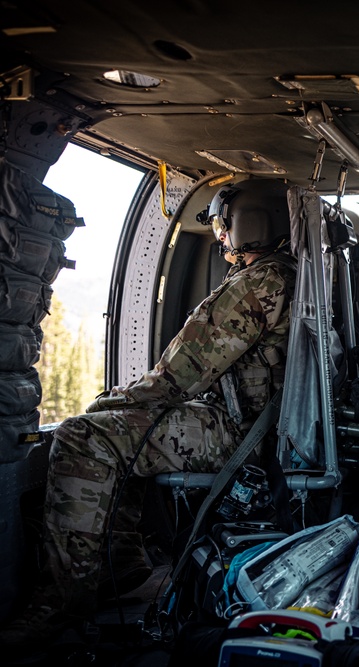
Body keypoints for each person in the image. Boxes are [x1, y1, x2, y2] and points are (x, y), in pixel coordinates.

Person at [0, 178, 297, 646]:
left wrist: (112, 402)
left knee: (85, 435)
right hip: (268, 431)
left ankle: (62, 598)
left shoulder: (259, 282)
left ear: (247, 227)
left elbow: (180, 372)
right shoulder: (293, 274)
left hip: (241, 436)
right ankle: (121, 559)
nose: (221, 238)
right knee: (123, 427)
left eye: (224, 227)